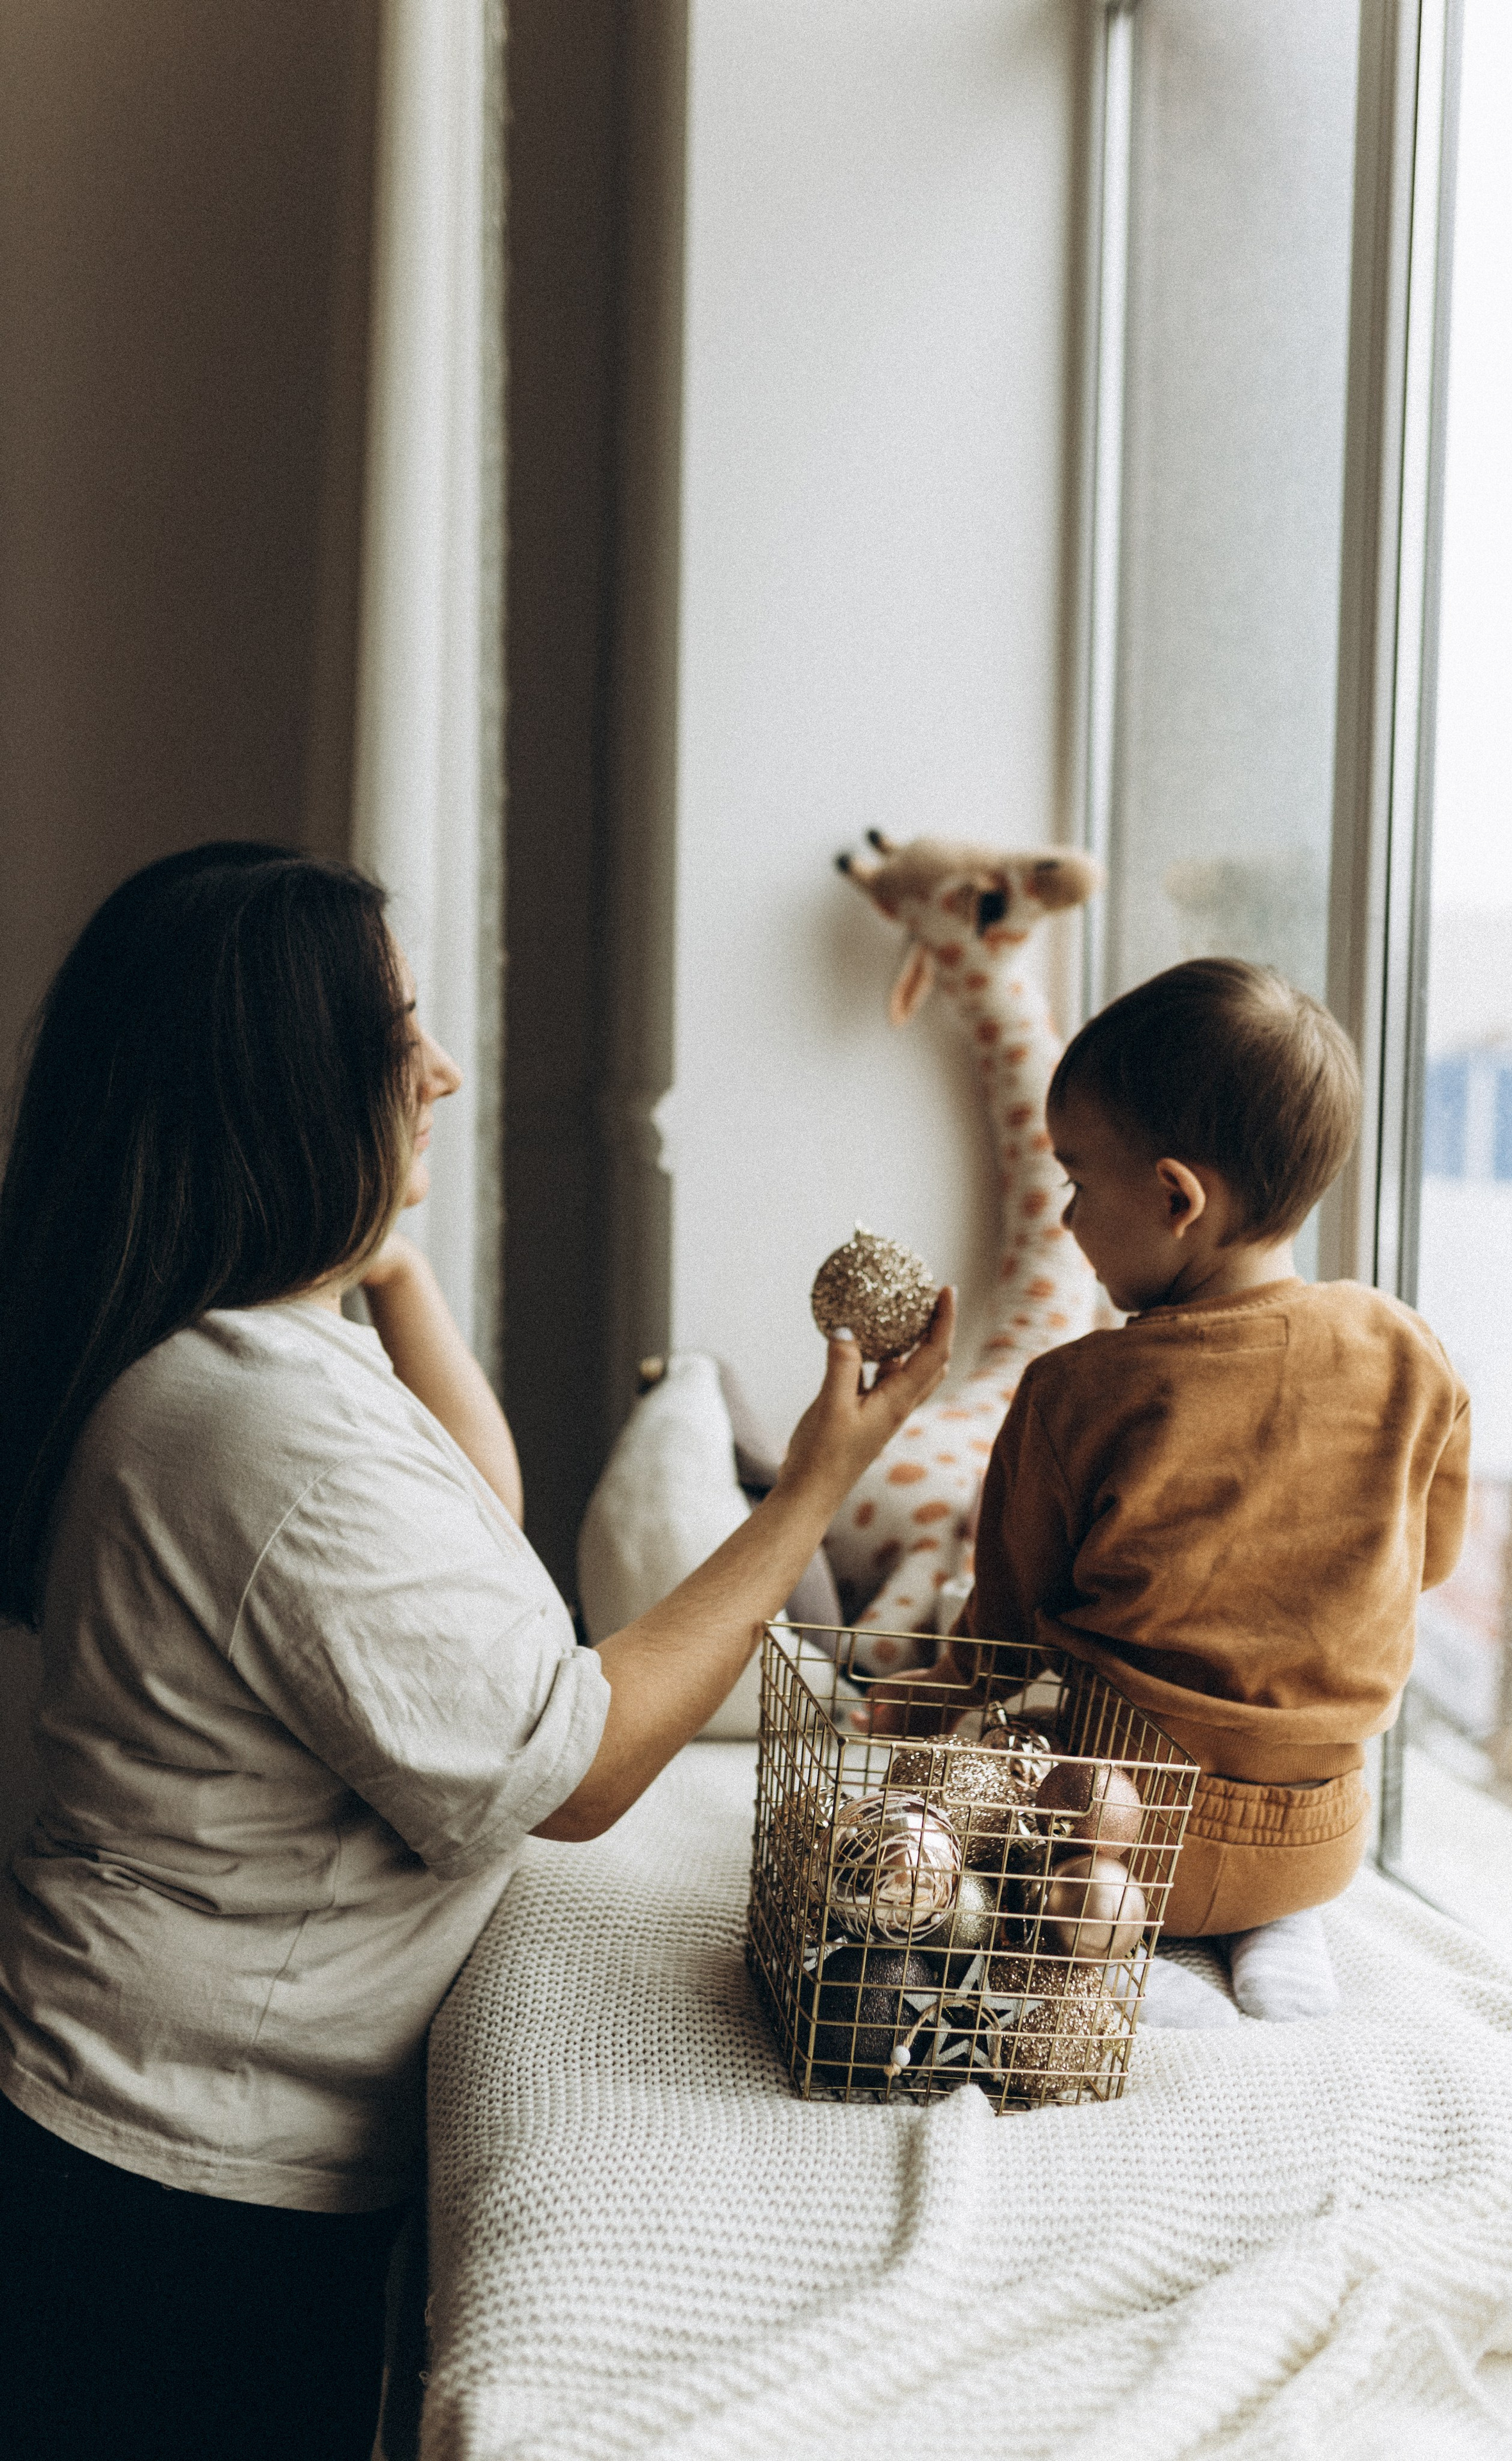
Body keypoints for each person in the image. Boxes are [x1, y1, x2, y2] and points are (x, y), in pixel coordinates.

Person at [0, 843, 954, 2461]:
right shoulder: (263, 1429)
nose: (441, 1070)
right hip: (167, 2173)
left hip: (147, 2120)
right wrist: (808, 1492)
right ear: (287, 1086)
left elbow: (474, 1506)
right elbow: (570, 1766)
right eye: (399, 1043)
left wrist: (385, 1241)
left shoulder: (248, 1345)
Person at [869, 958, 1469, 2026]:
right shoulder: (1407, 1348)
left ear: (1177, 1196)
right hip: (1325, 1833)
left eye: (1080, 1181)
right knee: (1264, 1849)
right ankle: (1276, 1926)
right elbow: (1429, 1558)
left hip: (1124, 1834)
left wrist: (921, 1702)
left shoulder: (1077, 1391)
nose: (1064, 1218)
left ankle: (1110, 1968)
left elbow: (1005, 1633)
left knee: (986, 1828)